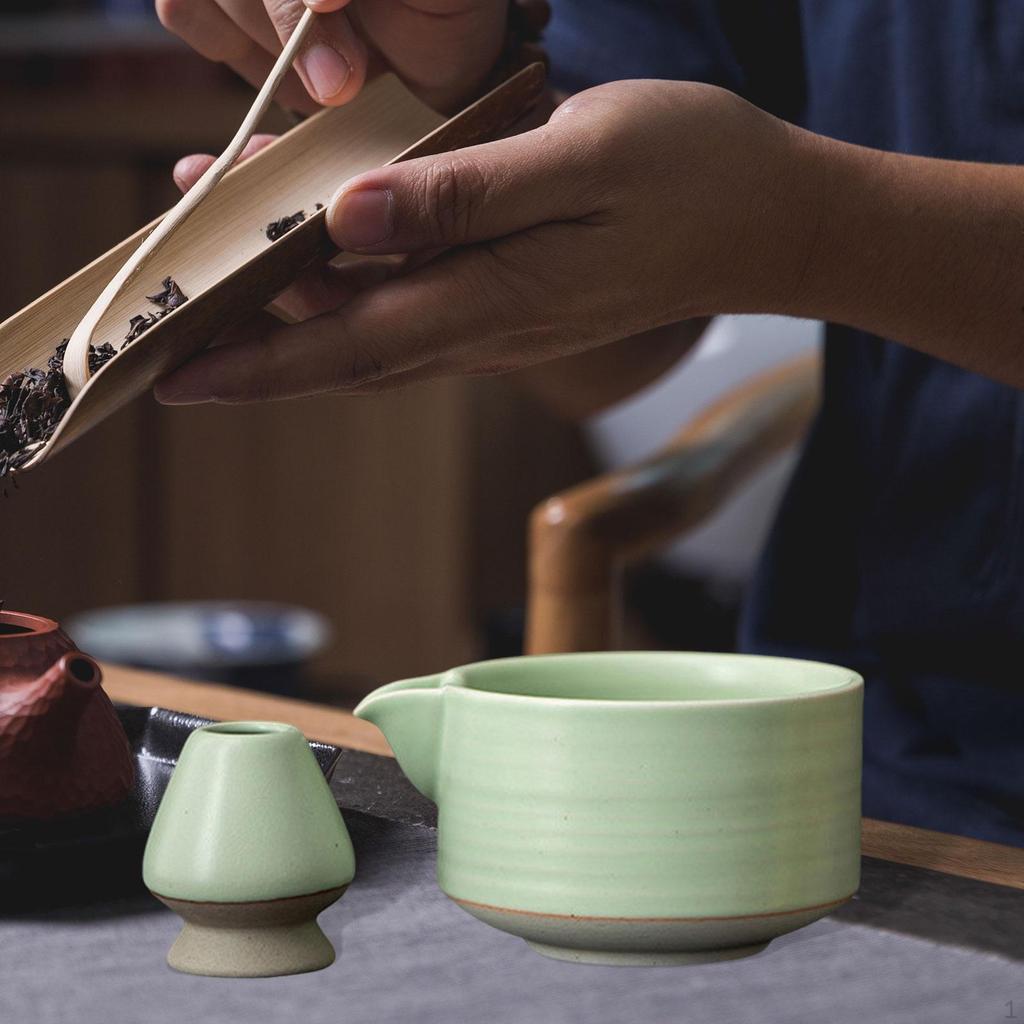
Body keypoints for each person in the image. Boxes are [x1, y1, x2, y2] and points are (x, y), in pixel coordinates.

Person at [156, 0, 1024, 846]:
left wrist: (819, 234)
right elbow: (625, 349)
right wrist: (461, 88)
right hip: (867, 745)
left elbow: (738, 224)